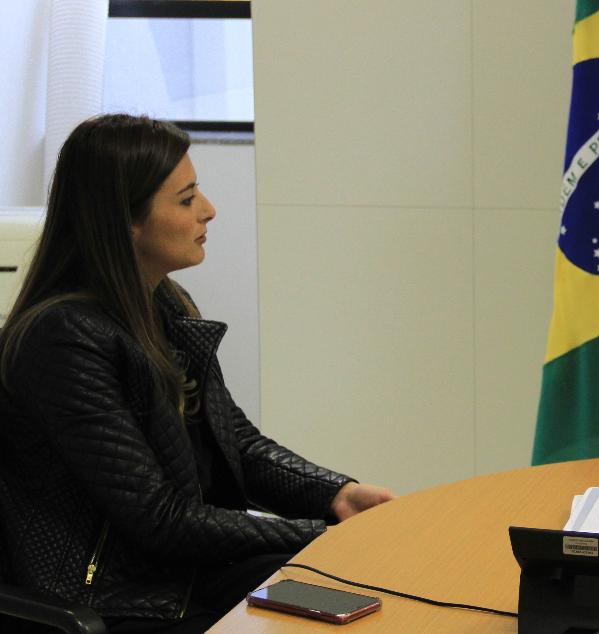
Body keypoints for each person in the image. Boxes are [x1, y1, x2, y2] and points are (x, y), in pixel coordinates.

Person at [0, 114, 394, 632]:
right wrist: (319, 533)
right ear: (125, 221)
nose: (208, 210)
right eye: (186, 200)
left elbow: (237, 444)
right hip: (117, 603)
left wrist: (336, 495)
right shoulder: (63, 339)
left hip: (180, 577)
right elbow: (160, 520)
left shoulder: (164, 303)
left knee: (373, 585)